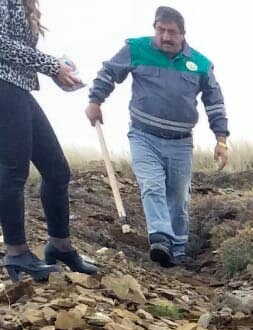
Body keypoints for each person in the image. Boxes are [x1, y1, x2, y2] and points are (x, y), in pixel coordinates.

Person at [86, 7, 228, 268]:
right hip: (143, 136)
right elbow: (109, 72)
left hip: (181, 141)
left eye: (171, 32)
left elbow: (214, 101)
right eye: (160, 30)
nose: (165, 36)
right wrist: (95, 100)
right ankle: (160, 239)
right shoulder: (136, 49)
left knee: (177, 195)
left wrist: (221, 139)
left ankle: (178, 250)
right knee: (152, 185)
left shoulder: (200, 64)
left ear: (182, 35)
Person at [0, 0, 96, 282]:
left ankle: (60, 246)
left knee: (56, 170)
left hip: (18, 87)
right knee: (14, 171)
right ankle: (17, 252)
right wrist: (51, 66)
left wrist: (58, 67)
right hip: (4, 87)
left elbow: (16, 46)